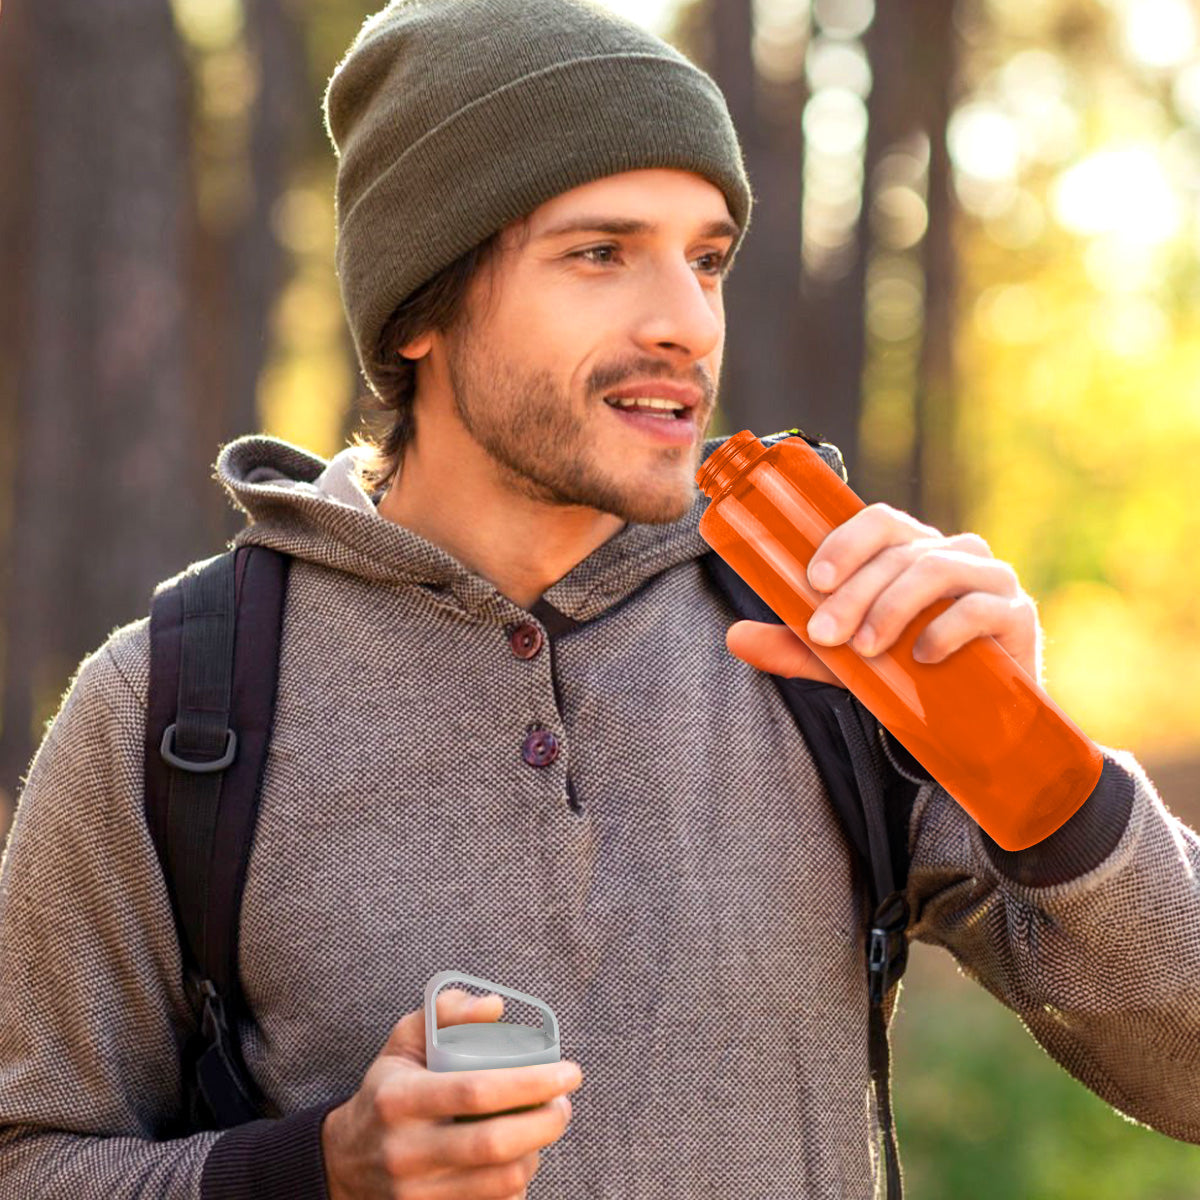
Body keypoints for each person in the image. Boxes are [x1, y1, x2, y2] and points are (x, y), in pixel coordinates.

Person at [1, 0, 1198, 1197]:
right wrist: (315, 1172)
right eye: (600, 253)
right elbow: (31, 1157)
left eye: (706, 258)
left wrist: (1044, 772)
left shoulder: (832, 640)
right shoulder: (173, 704)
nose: (687, 323)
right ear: (419, 309)